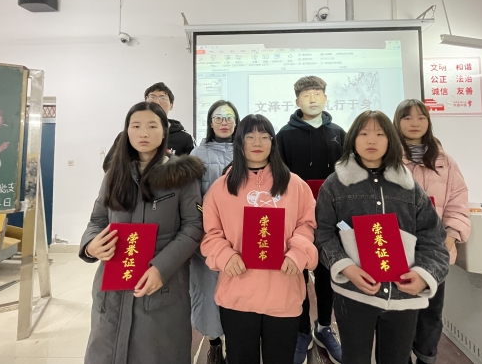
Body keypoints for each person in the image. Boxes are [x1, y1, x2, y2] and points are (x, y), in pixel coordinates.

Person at [315, 110, 449, 364]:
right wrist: (346, 268)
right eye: (364, 133)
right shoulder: (334, 185)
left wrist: (424, 274)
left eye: (379, 134)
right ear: (352, 139)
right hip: (353, 293)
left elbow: (433, 238)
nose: (371, 140)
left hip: (403, 297)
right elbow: (323, 234)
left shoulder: (409, 186)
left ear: (390, 139)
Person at [79, 101, 205, 364]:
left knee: (157, 352)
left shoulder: (182, 175)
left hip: (161, 283)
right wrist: (90, 245)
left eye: (152, 126)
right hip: (114, 284)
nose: (143, 133)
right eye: (135, 126)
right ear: (126, 131)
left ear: (164, 131)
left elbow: (193, 227)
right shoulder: (115, 174)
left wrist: (161, 268)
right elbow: (98, 220)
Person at [200, 114, 318, 364]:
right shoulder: (221, 188)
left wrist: (298, 252)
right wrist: (224, 255)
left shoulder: (295, 185)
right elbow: (211, 234)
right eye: (250, 136)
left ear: (273, 142)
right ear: (239, 142)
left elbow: (307, 225)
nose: (257, 142)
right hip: (238, 293)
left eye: (265, 136)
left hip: (283, 291)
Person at [393, 99, 471, 364]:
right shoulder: (388, 160)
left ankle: (426, 358)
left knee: (431, 314)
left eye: (421, 117)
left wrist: (449, 239)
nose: (414, 123)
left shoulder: (445, 162)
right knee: (399, 314)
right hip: (398, 250)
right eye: (407, 117)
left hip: (435, 252)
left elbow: (458, 202)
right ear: (397, 122)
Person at [276, 76, 345, 364]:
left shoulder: (339, 133)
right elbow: (279, 178)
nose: (313, 99)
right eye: (306, 95)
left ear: (326, 98)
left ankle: (324, 327)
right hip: (296, 219)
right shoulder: (283, 135)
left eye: (317, 93)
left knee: (328, 274)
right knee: (298, 274)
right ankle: (302, 329)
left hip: (332, 220)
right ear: (297, 101)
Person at [190, 100, 240, 364]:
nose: (224, 122)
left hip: (241, 237)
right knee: (208, 292)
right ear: (210, 122)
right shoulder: (197, 154)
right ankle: (214, 344)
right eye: (218, 117)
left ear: (236, 122)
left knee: (239, 287)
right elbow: (191, 198)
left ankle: (238, 342)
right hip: (208, 237)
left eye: (229, 117)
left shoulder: (247, 151)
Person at [103, 82, 194, 171]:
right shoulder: (125, 136)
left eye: (162, 98)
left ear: (171, 105)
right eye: (152, 97)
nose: (157, 101)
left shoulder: (184, 138)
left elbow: (190, 170)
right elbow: (109, 166)